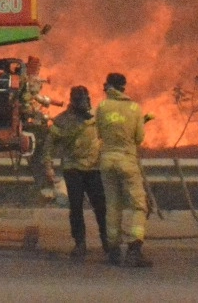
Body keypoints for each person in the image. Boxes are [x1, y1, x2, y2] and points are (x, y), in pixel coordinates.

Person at [96, 71, 151, 268]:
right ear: (123, 87)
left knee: (112, 205)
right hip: (127, 161)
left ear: (108, 86)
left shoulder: (102, 106)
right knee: (139, 206)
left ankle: (113, 251)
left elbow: (98, 133)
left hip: (107, 160)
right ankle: (134, 249)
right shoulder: (135, 108)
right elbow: (139, 138)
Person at [49, 84, 108, 259]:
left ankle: (107, 241)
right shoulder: (62, 121)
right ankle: (80, 243)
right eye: (82, 100)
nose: (86, 103)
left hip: (94, 168)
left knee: (101, 206)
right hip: (73, 169)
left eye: (87, 99)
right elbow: (49, 145)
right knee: (76, 207)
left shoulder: (96, 119)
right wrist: (47, 165)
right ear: (74, 102)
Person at [19, 56, 57, 199]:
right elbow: (33, 99)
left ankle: (44, 185)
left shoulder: (26, 83)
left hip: (34, 124)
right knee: (39, 157)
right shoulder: (27, 85)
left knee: (39, 158)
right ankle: (44, 185)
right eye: (37, 67)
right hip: (33, 125)